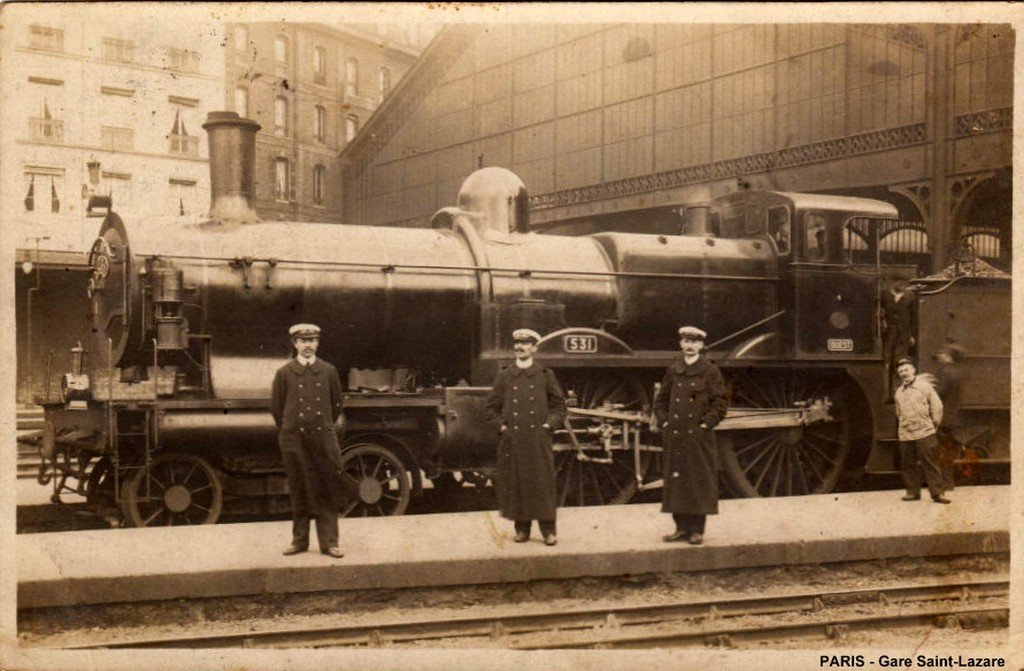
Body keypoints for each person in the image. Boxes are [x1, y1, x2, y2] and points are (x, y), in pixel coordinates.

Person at [271, 324, 358, 558]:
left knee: (326, 487)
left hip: (322, 439)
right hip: (294, 440)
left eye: (312, 340)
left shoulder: (328, 371)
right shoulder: (284, 373)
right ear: (295, 344)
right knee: (299, 487)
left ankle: (329, 543)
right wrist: (290, 431)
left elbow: (337, 403)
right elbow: (277, 408)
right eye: (303, 340)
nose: (308, 345)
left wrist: (323, 428)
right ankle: (299, 542)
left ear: (318, 343)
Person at [485, 328, 566, 546]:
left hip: (538, 439)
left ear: (534, 348)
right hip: (513, 440)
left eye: (526, 343)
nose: (520, 347)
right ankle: (522, 529)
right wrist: (502, 429)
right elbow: (491, 409)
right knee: (517, 483)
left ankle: (549, 531)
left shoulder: (545, 375)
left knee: (542, 484)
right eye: (517, 344)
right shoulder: (505, 375)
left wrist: (548, 426)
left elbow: (559, 406)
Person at [654, 326, 729, 545]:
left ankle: (697, 530)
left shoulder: (710, 370)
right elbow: (661, 401)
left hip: (698, 437)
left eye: (694, 343)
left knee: (698, 482)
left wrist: (706, 424)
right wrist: (664, 421)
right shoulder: (673, 370)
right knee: (677, 481)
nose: (690, 346)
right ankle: (680, 528)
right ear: (680, 344)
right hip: (676, 435)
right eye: (686, 341)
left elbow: (720, 403)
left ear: (701, 346)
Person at [893, 357, 949, 505]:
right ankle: (912, 493)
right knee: (908, 464)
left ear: (913, 370)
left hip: (925, 432)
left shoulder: (925, 387)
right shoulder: (899, 392)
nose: (904, 373)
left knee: (931, 463)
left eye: (906, 369)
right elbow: (898, 412)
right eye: (900, 371)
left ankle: (937, 494)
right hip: (906, 434)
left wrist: (932, 426)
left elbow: (937, 407)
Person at [934, 344, 968, 491]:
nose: (940, 356)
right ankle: (948, 482)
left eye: (943, 354)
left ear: (949, 357)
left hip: (943, 417)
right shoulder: (961, 372)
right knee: (948, 450)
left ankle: (944, 483)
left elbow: (939, 392)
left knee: (941, 450)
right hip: (954, 416)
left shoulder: (945, 372)